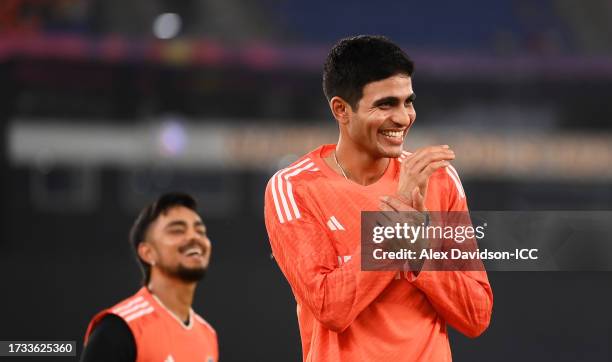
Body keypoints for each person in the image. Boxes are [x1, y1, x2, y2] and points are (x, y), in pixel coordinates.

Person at [264, 35, 493, 361]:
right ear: (341, 109)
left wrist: (419, 250)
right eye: (386, 104)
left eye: (408, 102)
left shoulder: (438, 179)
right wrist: (394, 230)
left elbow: (476, 314)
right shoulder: (294, 189)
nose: (403, 118)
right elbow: (331, 308)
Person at [81, 192, 218, 362]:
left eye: (200, 231)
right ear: (147, 253)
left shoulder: (207, 335)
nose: (194, 237)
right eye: (177, 230)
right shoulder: (120, 328)